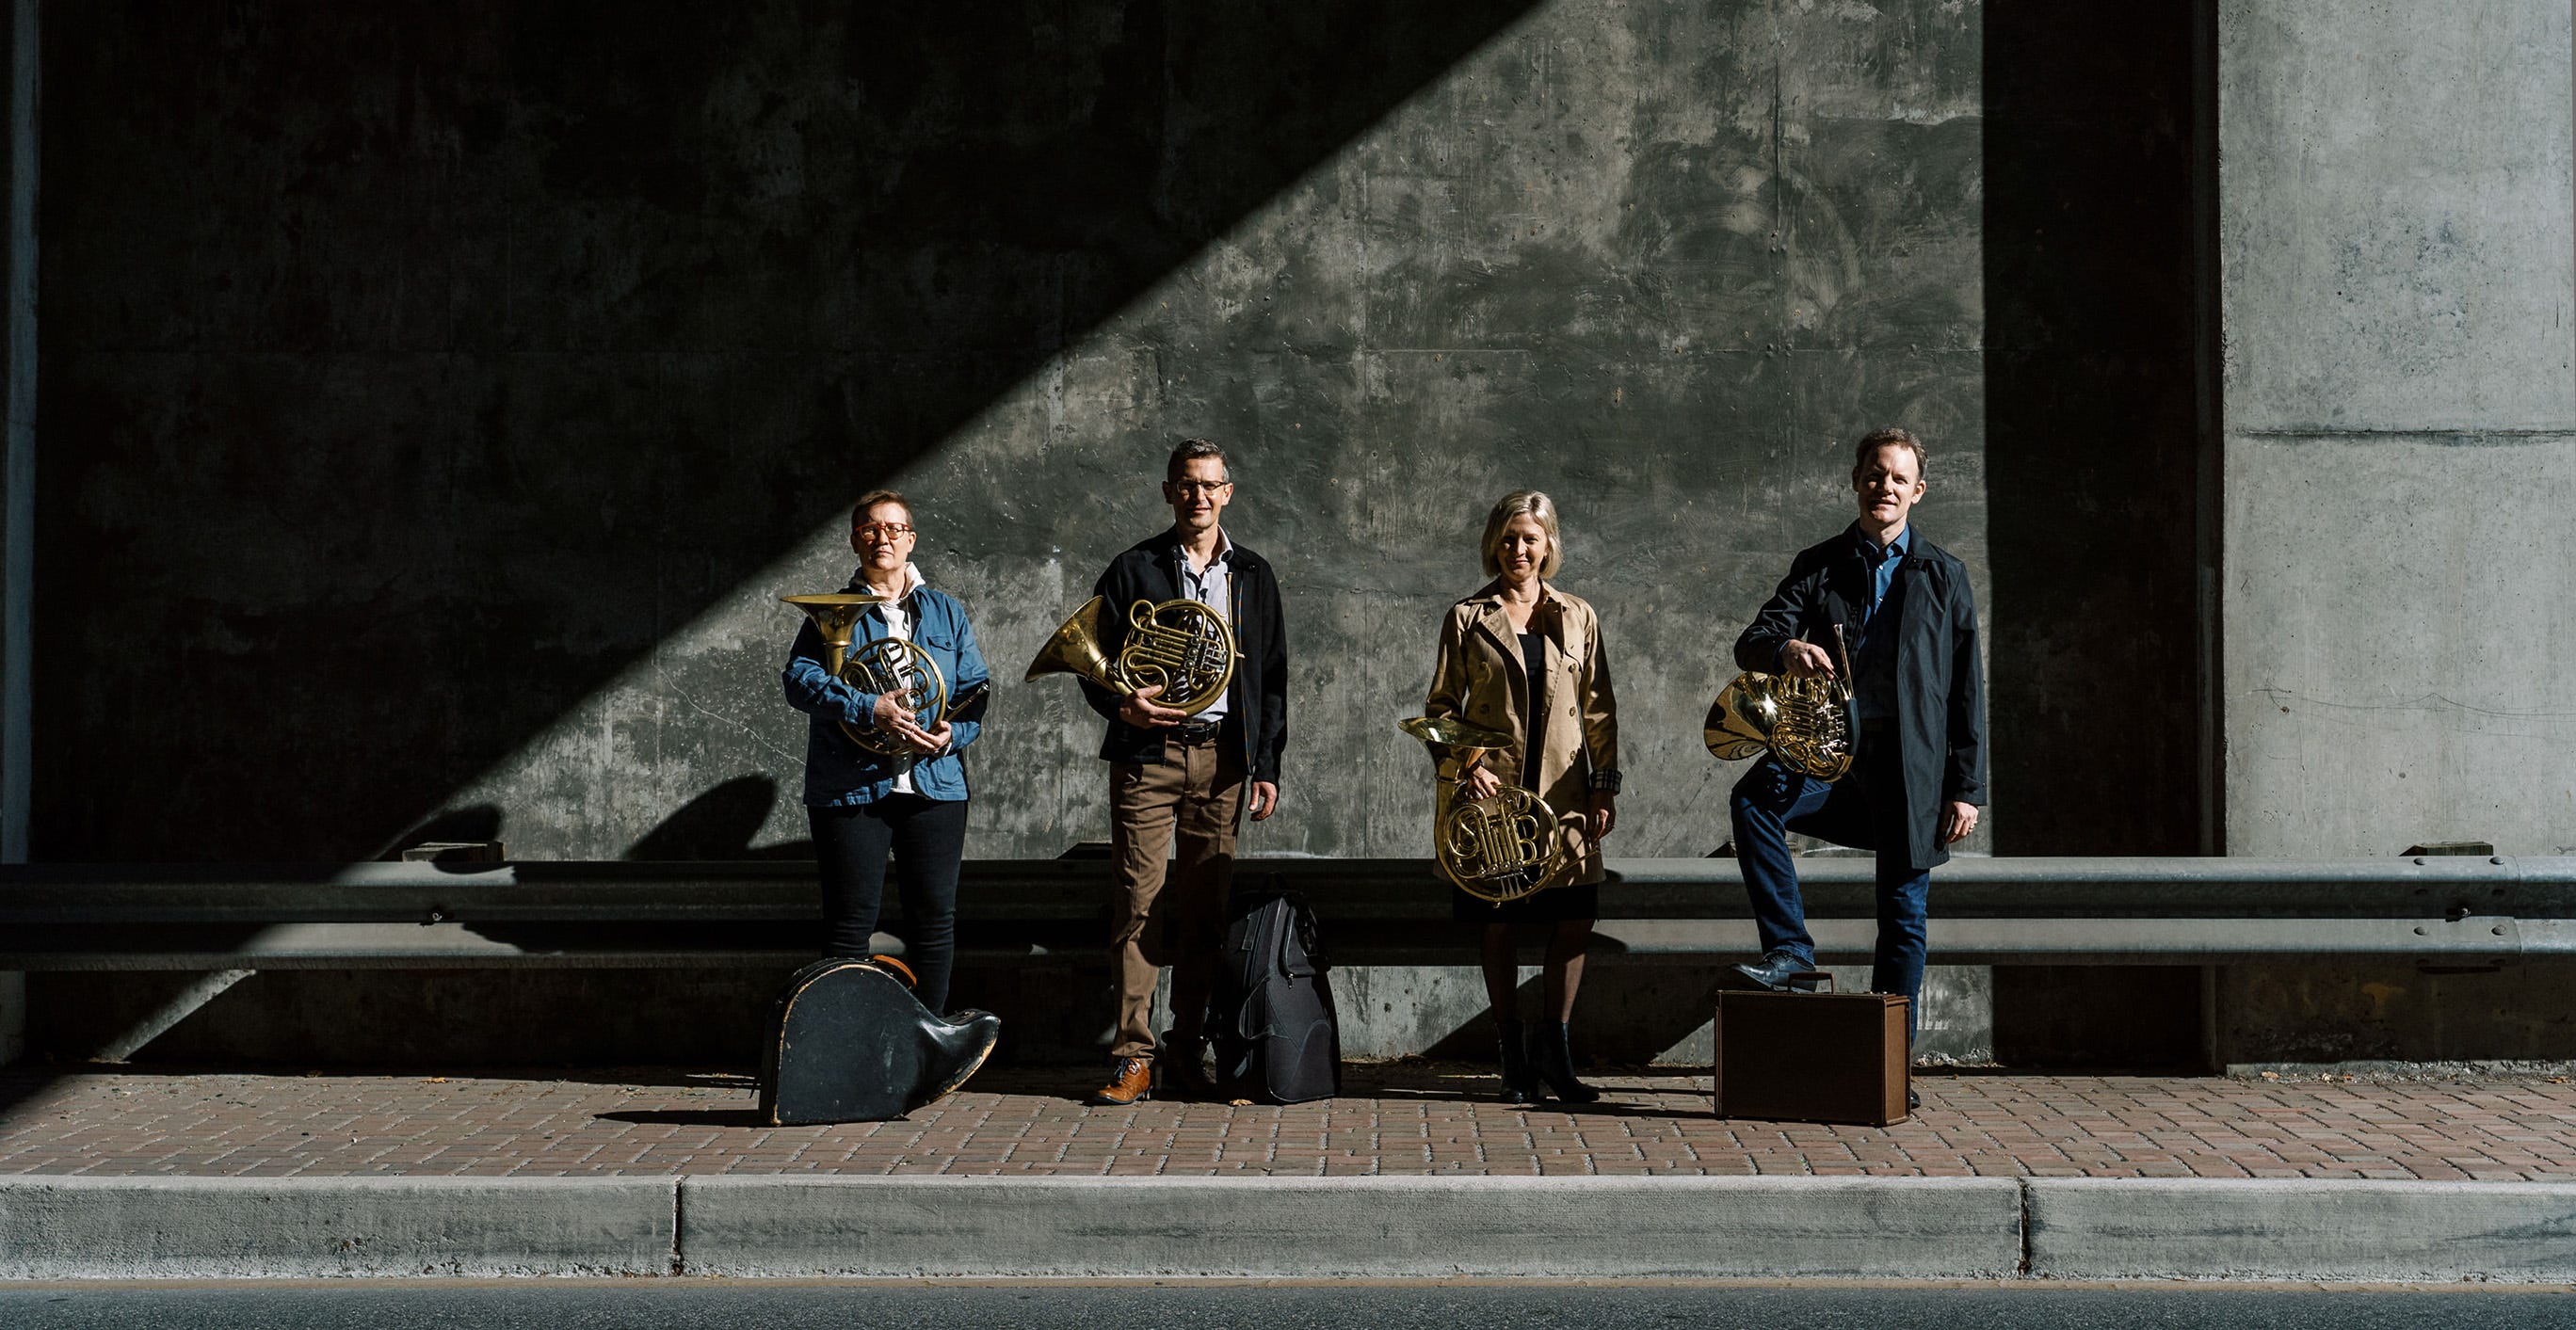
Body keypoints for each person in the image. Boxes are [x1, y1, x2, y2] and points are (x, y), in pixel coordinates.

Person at [1726, 427, 1987, 1082]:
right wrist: (1786, 649)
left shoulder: (1946, 575)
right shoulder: (1819, 564)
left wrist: (1966, 788)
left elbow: (1966, 689)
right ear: (1856, 481)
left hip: (1910, 767)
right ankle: (1791, 952)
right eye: (1875, 474)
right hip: (1829, 754)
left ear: (1918, 491)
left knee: (1903, 917)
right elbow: (1754, 639)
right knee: (1754, 799)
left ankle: (1889, 1073)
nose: (1884, 487)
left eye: (1898, 478)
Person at [1081, 440, 1289, 1106]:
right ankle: (1132, 1056)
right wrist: (1123, 704)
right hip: (1149, 754)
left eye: (1209, 484)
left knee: (1206, 912)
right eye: (1186, 484)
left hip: (1224, 758)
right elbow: (1091, 660)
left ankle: (1186, 1052)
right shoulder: (1133, 567)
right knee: (1137, 904)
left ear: (1227, 491)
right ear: (1169, 491)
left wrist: (1266, 763)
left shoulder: (1253, 574)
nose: (1198, 495)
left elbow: (1272, 676)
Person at [1424, 490, 1621, 1105]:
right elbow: (1439, 709)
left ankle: (1554, 1051)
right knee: (1499, 921)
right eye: (1509, 538)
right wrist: (1468, 765)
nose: (1519, 549)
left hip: (1565, 792)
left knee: (1576, 915)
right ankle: (1512, 1054)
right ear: (1495, 543)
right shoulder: (1467, 617)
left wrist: (1603, 785)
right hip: (1494, 798)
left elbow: (1599, 708)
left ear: (1547, 544)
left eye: (1530, 538)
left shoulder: (1578, 615)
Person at [781, 489, 990, 1017]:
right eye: (870, 529)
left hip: (935, 784)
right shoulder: (833, 610)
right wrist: (867, 706)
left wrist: (952, 734)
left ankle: (928, 1039)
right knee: (849, 923)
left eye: (894, 528)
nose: (883, 538)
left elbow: (975, 690)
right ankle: (847, 1042)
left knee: (934, 921)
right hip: (851, 787)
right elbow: (799, 681)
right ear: (855, 541)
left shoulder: (946, 611)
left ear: (910, 539)